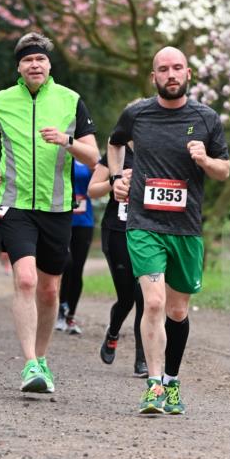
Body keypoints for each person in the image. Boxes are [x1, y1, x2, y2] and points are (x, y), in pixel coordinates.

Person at [108, 46, 230, 415]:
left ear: (188, 73)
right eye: (163, 69)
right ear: (154, 77)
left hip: (186, 227)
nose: (171, 74)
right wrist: (117, 178)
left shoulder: (206, 119)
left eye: (177, 68)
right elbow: (114, 144)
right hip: (144, 223)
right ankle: (154, 386)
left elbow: (224, 170)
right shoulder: (137, 114)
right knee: (154, 302)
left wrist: (204, 159)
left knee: (177, 310)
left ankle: (173, 381)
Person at [0, 31, 98, 394]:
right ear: (19, 66)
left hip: (58, 207)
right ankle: (30, 363)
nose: (35, 65)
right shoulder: (1, 101)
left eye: (40, 59)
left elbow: (94, 156)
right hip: (15, 204)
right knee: (26, 280)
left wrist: (67, 141)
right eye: (28, 59)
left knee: (48, 289)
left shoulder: (70, 100)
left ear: (48, 65)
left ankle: (42, 359)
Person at [87, 146, 147, 377]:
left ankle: (142, 359)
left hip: (147, 232)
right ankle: (113, 333)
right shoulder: (117, 155)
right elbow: (92, 190)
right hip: (117, 232)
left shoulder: (157, 149)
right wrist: (116, 182)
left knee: (145, 297)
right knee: (127, 298)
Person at [55, 159, 94, 335]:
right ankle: (58, 310)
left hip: (83, 221)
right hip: (59, 218)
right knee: (65, 264)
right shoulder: (56, 153)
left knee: (77, 268)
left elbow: (97, 185)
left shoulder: (87, 159)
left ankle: (70, 316)